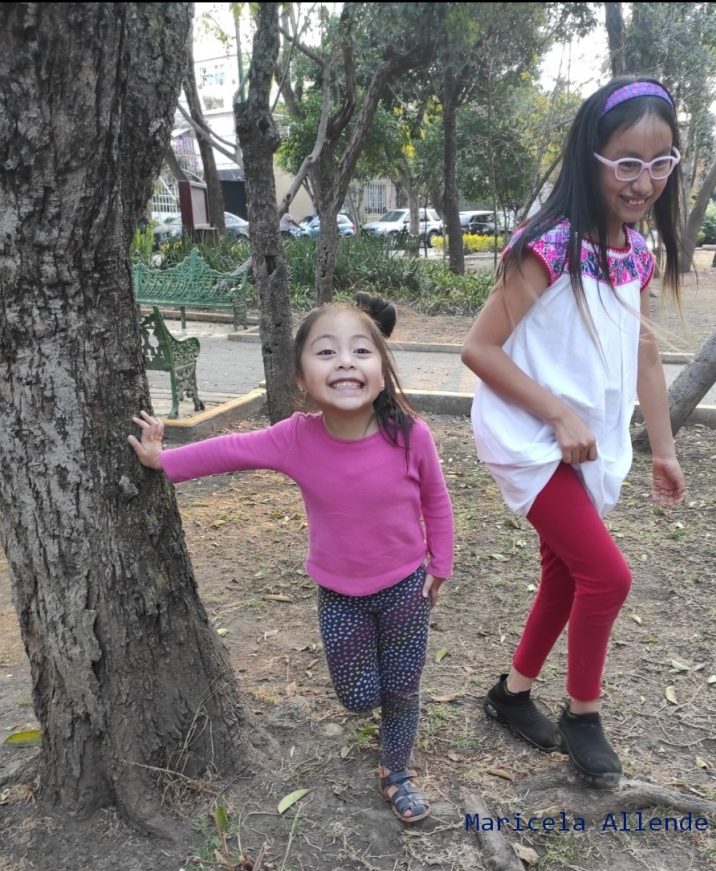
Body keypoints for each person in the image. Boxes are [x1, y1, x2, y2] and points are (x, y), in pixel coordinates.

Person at [128, 298, 454, 823]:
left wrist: (441, 564)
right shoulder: (297, 437)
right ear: (302, 378)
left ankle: (396, 771)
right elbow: (230, 450)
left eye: (361, 351)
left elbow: (436, 500)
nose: (345, 361)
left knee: (402, 690)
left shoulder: (410, 434)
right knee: (359, 696)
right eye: (326, 352)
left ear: (382, 369)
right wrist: (162, 459)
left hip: (406, 589)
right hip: (341, 596)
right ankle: (382, 707)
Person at [462, 77, 686, 786]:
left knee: (564, 576)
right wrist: (557, 413)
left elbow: (645, 356)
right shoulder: (549, 246)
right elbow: (479, 350)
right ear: (592, 157)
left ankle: (510, 695)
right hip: (529, 438)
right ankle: (582, 715)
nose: (643, 181)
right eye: (626, 162)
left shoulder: (637, 253)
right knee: (607, 576)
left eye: (660, 162)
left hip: (585, 445)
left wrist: (663, 449)